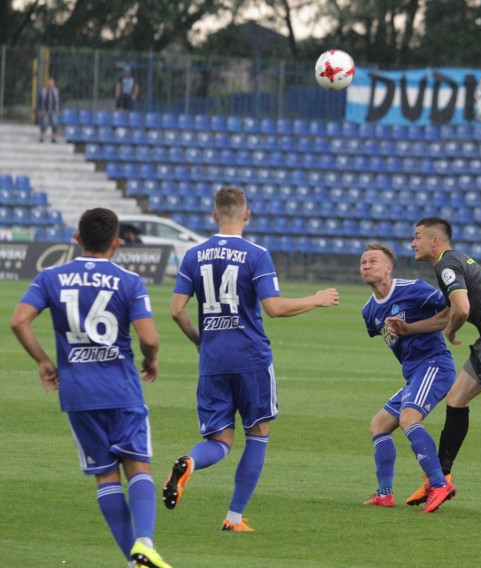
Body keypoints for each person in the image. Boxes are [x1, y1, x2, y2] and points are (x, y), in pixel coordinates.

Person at [164, 185, 339, 532]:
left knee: (220, 442)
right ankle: (233, 518)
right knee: (257, 435)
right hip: (251, 357)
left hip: (213, 360)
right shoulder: (256, 254)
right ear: (247, 215)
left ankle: (190, 461)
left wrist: (200, 341)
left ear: (214, 216)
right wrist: (315, 298)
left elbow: (175, 310)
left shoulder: (193, 255)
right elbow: (273, 308)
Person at [10, 208, 171, 568]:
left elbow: (19, 321)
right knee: (139, 467)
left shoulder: (50, 277)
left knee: (105, 476)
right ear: (116, 243)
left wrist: (43, 361)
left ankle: (134, 562)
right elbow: (149, 338)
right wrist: (151, 358)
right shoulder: (129, 281)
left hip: (78, 393)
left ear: (77, 239)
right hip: (121, 389)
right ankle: (144, 542)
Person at [386, 217, 481, 517]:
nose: (412, 243)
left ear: (435, 241)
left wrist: (452, 332)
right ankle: (440, 479)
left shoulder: (446, 264)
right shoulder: (449, 264)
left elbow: (461, 310)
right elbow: (449, 313)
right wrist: (410, 328)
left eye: (417, 236)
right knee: (456, 399)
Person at [359, 243, 457, 513]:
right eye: (363, 262)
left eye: (373, 261)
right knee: (379, 425)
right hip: (414, 373)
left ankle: (439, 484)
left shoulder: (413, 288)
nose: (366, 266)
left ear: (388, 267)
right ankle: (384, 494)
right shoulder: (369, 312)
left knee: (408, 418)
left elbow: (450, 311)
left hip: (435, 364)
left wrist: (412, 328)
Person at [38, 77, 61, 143]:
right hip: (45, 111)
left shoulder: (56, 91)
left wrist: (58, 110)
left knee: (55, 124)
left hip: (54, 111)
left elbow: (59, 101)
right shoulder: (43, 91)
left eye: (52, 83)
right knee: (44, 124)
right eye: (50, 83)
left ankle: (53, 138)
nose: (51, 84)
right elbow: (39, 101)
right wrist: (41, 109)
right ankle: (41, 137)